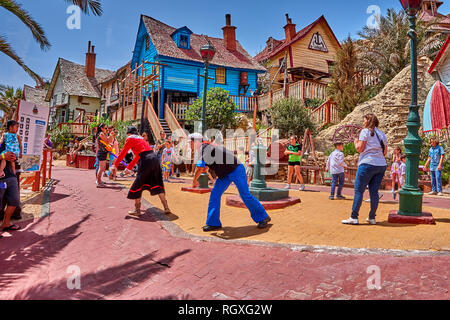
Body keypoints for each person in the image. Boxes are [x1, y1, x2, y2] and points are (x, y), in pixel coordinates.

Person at [190, 133, 271, 231]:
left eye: (190, 143)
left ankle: (263, 217)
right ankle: (213, 223)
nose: (190, 146)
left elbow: (199, 168)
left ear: (196, 142)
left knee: (245, 195)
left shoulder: (204, 148)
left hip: (236, 169)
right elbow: (205, 166)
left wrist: (194, 181)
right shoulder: (207, 148)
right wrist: (205, 169)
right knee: (215, 194)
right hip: (225, 174)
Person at [342, 114, 387, 225]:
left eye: (364, 120)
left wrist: (355, 141)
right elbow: (385, 152)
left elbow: (359, 149)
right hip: (381, 165)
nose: (363, 123)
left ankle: (354, 217)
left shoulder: (365, 132)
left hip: (367, 163)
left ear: (368, 121)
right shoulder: (382, 134)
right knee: (374, 192)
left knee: (359, 190)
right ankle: (372, 217)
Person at [114, 126, 171, 216]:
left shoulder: (130, 139)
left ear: (129, 133)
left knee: (138, 185)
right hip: (154, 159)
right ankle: (166, 207)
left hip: (145, 160)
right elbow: (138, 156)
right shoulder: (142, 140)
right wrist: (128, 168)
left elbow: (123, 153)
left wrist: (115, 165)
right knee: (157, 183)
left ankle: (137, 210)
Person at [0, 147, 22, 236]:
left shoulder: (9, 145)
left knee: (14, 200)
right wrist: (2, 156)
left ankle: (6, 223)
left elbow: (15, 159)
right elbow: (3, 156)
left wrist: (13, 175)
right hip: (1, 180)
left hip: (11, 178)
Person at [95, 123, 112, 188]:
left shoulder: (104, 134)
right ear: (101, 128)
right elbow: (107, 141)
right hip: (101, 152)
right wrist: (110, 135)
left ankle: (99, 180)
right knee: (101, 168)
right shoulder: (101, 134)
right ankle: (98, 182)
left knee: (102, 168)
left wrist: (110, 136)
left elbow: (109, 141)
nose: (106, 129)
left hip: (103, 152)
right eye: (105, 128)